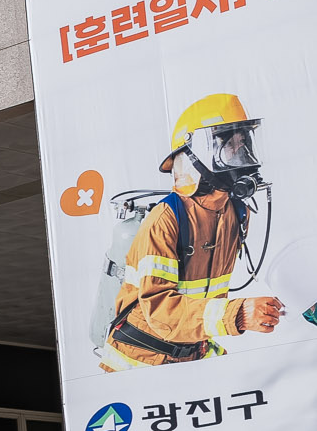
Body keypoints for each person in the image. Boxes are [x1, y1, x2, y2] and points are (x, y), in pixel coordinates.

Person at [101, 93, 286, 368]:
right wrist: (238, 315)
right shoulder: (165, 219)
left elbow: (261, 269)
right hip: (138, 364)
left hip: (191, 350)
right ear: (197, 154)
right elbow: (161, 312)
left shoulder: (236, 212)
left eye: (244, 142)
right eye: (229, 145)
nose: (242, 154)